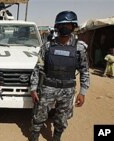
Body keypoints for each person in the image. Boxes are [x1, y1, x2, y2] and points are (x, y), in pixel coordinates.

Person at [29, 11, 90, 141]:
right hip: (48, 88)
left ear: (73, 26)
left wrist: (82, 92)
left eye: (68, 24)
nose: (65, 27)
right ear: (57, 27)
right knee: (39, 116)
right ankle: (34, 136)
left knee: (62, 118)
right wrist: (33, 88)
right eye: (62, 25)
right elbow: (37, 68)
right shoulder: (47, 46)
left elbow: (84, 70)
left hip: (67, 90)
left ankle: (57, 137)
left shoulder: (79, 48)